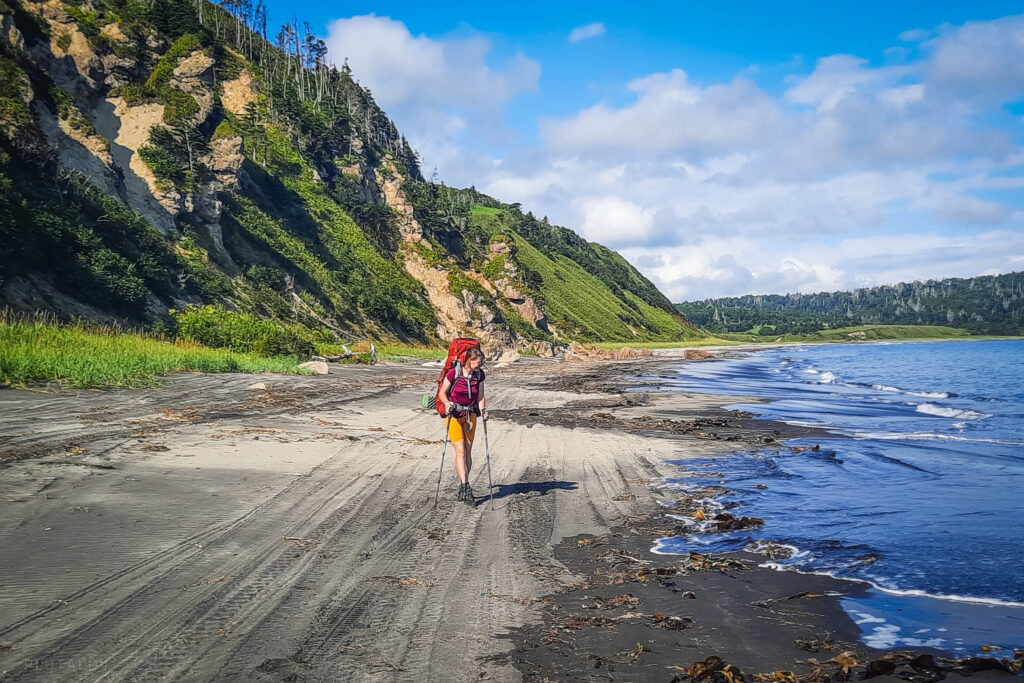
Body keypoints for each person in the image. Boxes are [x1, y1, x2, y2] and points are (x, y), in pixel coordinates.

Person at [438, 346, 488, 504]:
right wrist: (446, 403)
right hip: (453, 415)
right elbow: (442, 393)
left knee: (467, 450)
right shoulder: (454, 373)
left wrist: (484, 410)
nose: (480, 365)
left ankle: (462, 483)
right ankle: (466, 487)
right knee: (460, 451)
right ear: (469, 361)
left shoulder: (479, 375)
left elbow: (480, 396)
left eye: (481, 362)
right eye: (478, 362)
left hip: (470, 415)